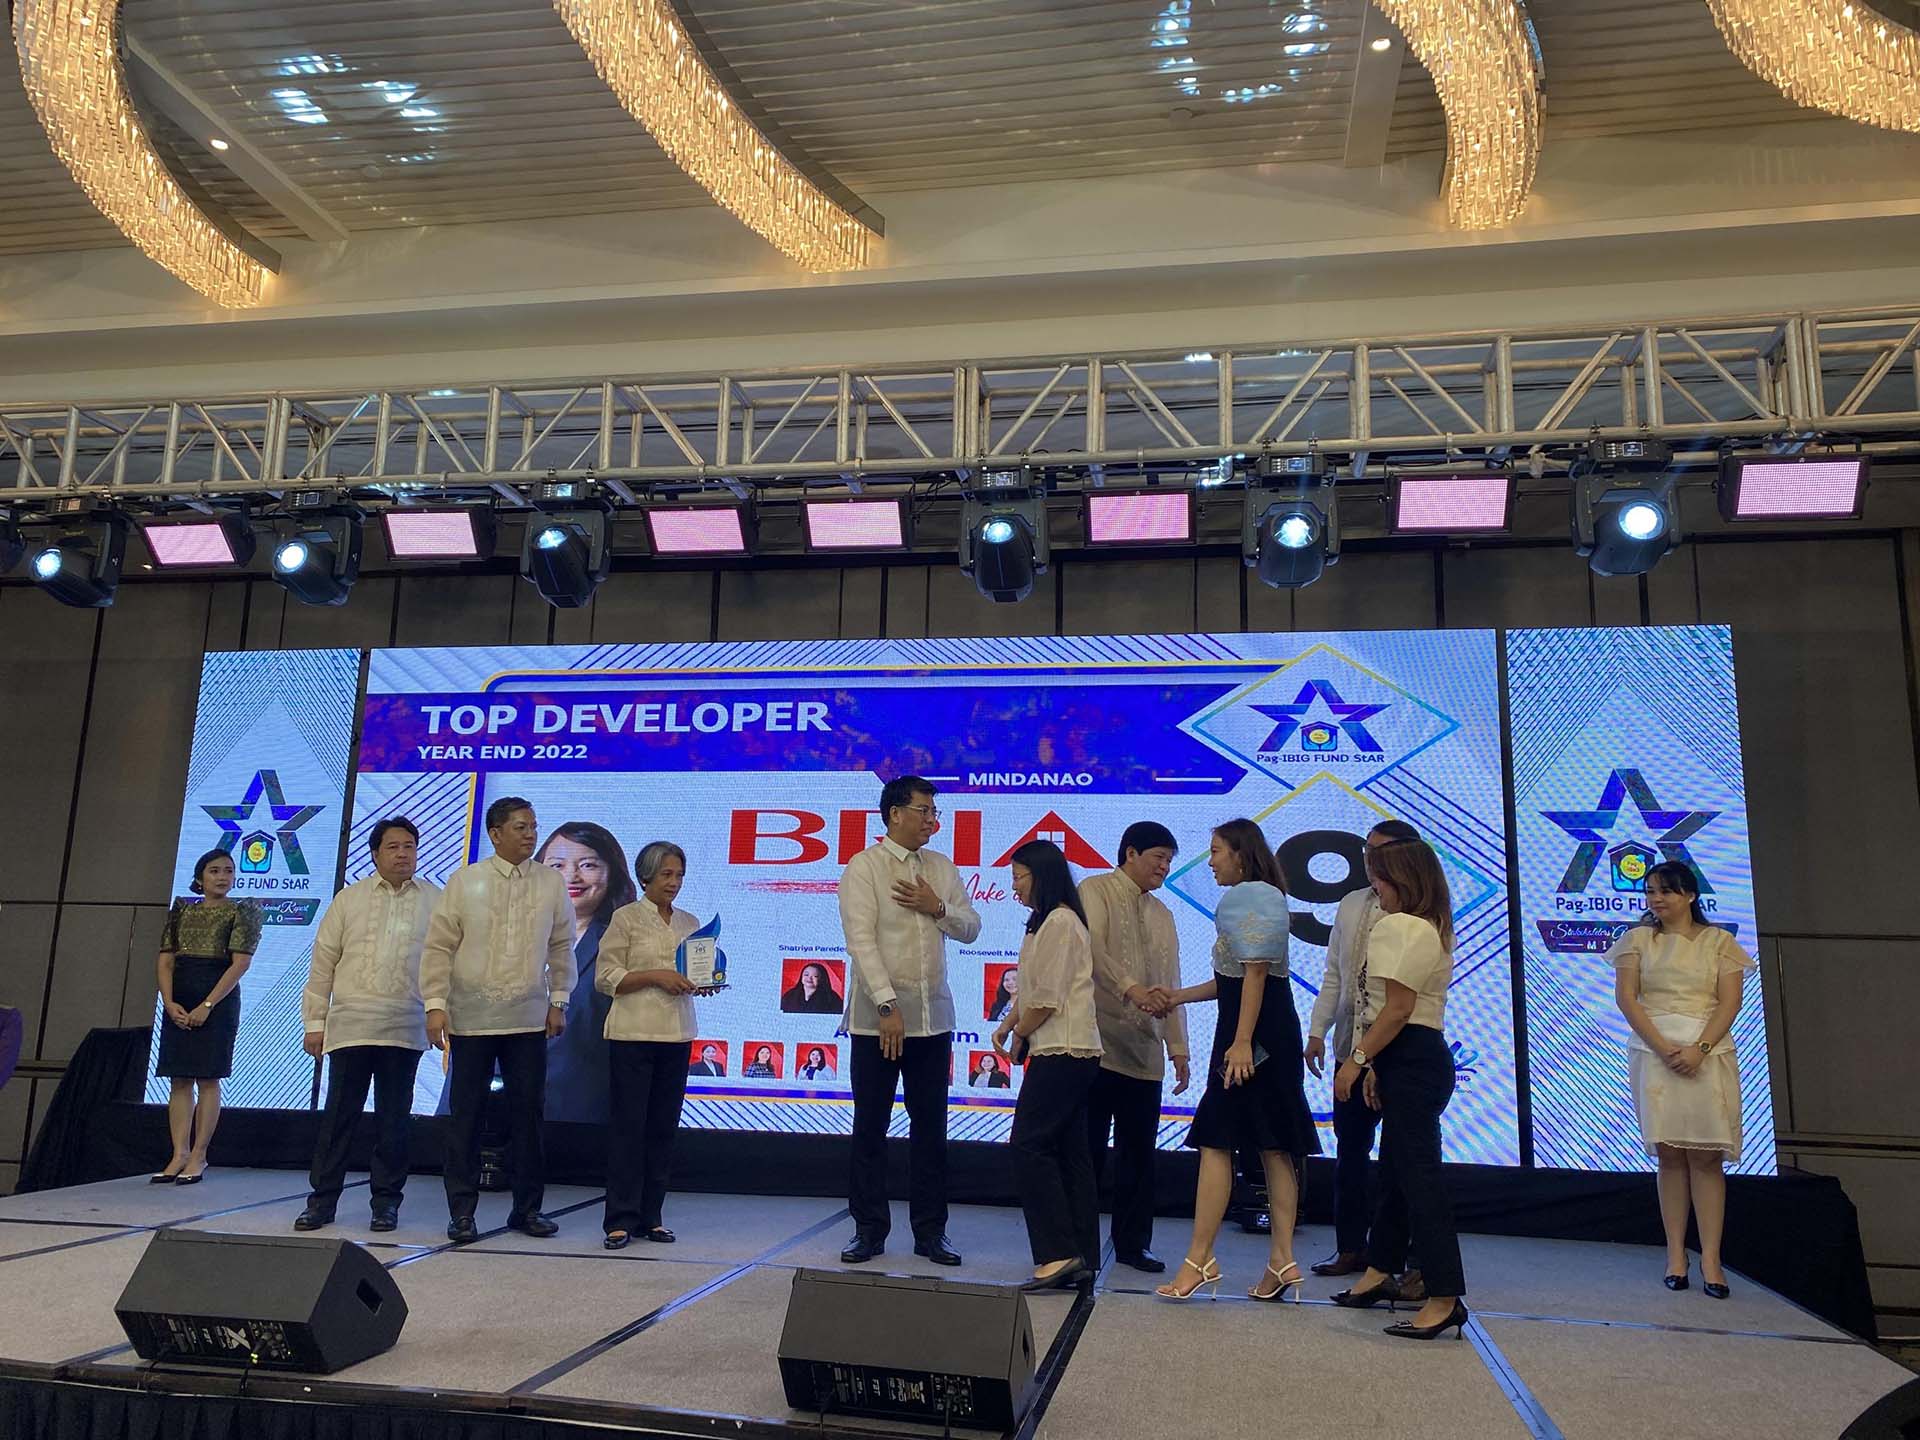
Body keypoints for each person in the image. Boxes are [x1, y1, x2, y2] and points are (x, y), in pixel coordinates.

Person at [1152, 820, 1319, 1303]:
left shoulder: (1249, 895)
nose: (1210, 862)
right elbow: (1233, 980)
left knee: (1216, 1140)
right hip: (1266, 1032)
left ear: (1241, 855)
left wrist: (1242, 1041)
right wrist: (1177, 997)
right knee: (1274, 1145)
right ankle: (1281, 1260)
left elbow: (1256, 975)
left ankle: (1199, 1259)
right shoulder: (1263, 896)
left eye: (1216, 851)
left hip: (1254, 1037)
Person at [837, 775, 982, 1266]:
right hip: (877, 1023)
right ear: (895, 813)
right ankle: (868, 1230)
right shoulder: (865, 867)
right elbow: (861, 942)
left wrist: (936, 907)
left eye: (934, 812)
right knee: (870, 1127)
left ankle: (931, 1232)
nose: (931, 821)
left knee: (931, 1130)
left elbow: (971, 928)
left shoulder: (941, 867)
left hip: (932, 1020)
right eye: (924, 810)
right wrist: (886, 1005)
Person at [1331, 836, 1469, 1340]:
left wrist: (1356, 1061)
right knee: (1394, 1173)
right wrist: (1375, 1066)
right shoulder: (1429, 926)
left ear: (1401, 881)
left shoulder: (1401, 926)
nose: (1376, 888)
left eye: (1381, 878)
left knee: (1419, 1181)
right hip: (1409, 1057)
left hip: (1410, 1057)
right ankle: (1379, 1270)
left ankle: (1444, 1296)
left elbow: (1396, 1009)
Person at [421, 797, 574, 1244]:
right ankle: (461, 1213)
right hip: (471, 1019)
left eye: (533, 826)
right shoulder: (465, 881)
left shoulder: (550, 882)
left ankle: (527, 1209)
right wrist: (435, 1004)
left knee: (528, 1115)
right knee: (466, 1116)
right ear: (495, 833)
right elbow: (438, 947)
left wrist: (559, 999)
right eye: (521, 827)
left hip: (528, 1019)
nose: (530, 834)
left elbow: (561, 945)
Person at [1609, 860, 1754, 1299]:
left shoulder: (1720, 942)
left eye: (1666, 891)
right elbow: (1627, 999)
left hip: (1708, 1054)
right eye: (1650, 891)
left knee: (1706, 1157)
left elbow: (1729, 1003)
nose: (1656, 899)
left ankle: (1711, 1259)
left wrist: (1699, 1049)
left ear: (1690, 895)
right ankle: (1676, 1255)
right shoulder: (1636, 940)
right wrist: (1662, 1047)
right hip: (1655, 1054)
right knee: (1670, 1156)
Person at [294, 817, 438, 1232]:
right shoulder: (349, 899)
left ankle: (386, 1203)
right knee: (339, 1119)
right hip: (350, 1025)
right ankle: (322, 1202)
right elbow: (323, 963)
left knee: (394, 1122)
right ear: (374, 854)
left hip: (404, 1027)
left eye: (409, 846)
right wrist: (315, 1021)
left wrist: (439, 1012)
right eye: (393, 847)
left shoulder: (436, 900)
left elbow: (445, 964)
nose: (403, 854)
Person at [1304, 820, 1422, 1279]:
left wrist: (1374, 1058)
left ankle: (1397, 1255)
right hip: (1349, 1047)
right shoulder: (1352, 902)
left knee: (1400, 1159)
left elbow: (1409, 999)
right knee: (1350, 1151)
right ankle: (1350, 1247)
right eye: (1367, 851)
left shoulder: (1420, 909)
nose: (1372, 860)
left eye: (1382, 851)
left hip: (1396, 1050)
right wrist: (1317, 1030)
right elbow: (1335, 972)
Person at [1080, 820, 1190, 1274]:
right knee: (1086, 1151)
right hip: (1095, 1043)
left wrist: (1179, 1046)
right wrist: (1130, 989)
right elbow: (1091, 951)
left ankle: (1133, 1244)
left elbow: (1171, 981)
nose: (1164, 867)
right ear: (1130, 853)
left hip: (1145, 1049)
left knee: (1139, 1154)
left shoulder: (1163, 913)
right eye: (1158, 857)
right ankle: (1079, 1245)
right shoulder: (1095, 890)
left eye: (1169, 861)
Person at [994, 840, 1103, 1292]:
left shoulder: (1060, 921)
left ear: (1041, 875)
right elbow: (1031, 990)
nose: (1014, 886)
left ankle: (1057, 1253)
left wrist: (1020, 1034)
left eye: (1019, 877)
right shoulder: (1042, 923)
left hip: (1064, 1050)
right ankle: (1081, 1255)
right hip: (1063, 1050)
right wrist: (1007, 1025)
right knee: (1069, 1151)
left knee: (1029, 1145)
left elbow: (1046, 999)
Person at [597, 841, 705, 1250]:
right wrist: (655, 976)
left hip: (677, 1034)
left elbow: (694, 971)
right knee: (629, 1129)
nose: (674, 882)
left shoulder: (690, 922)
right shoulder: (625, 918)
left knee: (662, 1129)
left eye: (679, 875)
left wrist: (703, 983)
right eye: (666, 874)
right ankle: (619, 1219)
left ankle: (651, 1217)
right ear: (645, 876)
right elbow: (605, 977)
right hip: (632, 1034)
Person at [152, 850, 261, 1184]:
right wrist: (168, 1002)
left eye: (228, 870)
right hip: (180, 996)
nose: (222, 877)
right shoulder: (182, 910)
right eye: (214, 871)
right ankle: (179, 1153)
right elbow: (166, 960)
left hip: (218, 998)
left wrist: (208, 1005)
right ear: (200, 877)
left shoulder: (242, 911)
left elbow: (240, 963)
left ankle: (199, 1154)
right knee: (179, 1078)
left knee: (208, 1078)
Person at [539, 822, 635, 1126]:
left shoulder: (628, 944)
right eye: (557, 865)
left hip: (579, 1112)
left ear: (612, 873)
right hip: (496, 1103)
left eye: (588, 865)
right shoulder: (504, 935)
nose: (571, 876)